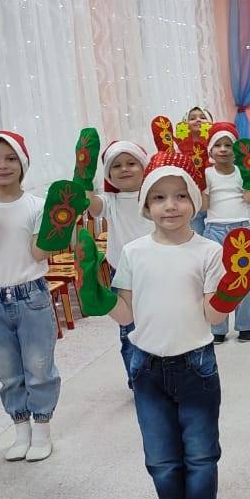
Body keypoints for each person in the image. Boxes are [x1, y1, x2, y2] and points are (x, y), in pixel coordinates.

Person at [109, 149, 250, 499]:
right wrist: (97, 294)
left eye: (180, 196)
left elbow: (213, 315)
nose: (170, 205)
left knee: (200, 454)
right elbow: (125, 314)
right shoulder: (134, 252)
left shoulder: (208, 251)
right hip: (146, 366)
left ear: (195, 201)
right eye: (159, 198)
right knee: (160, 458)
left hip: (196, 365)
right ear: (145, 205)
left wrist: (234, 288)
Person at [0, 131, 80, 462]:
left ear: (23, 164)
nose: (2, 165)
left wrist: (60, 225)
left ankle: (42, 430)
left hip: (31, 296)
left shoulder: (36, 205)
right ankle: (21, 430)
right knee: (8, 373)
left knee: (39, 367)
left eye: (10, 158)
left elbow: (38, 253)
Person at [86, 139, 152, 384]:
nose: (124, 169)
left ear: (144, 166)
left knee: (158, 322)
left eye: (131, 163)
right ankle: (137, 380)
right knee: (129, 328)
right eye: (116, 165)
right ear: (108, 174)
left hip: (157, 269)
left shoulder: (153, 195)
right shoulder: (110, 200)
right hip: (123, 274)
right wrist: (84, 175)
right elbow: (91, 205)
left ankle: (162, 375)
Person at [202, 121, 250, 343]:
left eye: (228, 145)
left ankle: (246, 325)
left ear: (235, 150)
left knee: (246, 279)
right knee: (217, 279)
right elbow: (203, 206)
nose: (223, 149)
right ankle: (218, 326)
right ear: (210, 150)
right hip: (214, 229)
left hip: (241, 228)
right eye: (218, 145)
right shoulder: (207, 173)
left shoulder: (240, 171)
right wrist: (199, 183)